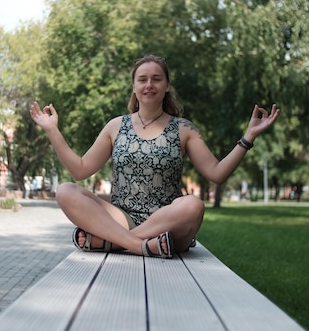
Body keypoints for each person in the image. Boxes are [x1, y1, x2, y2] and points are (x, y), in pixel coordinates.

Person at [30, 55, 279, 258]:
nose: (149, 85)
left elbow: (217, 173)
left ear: (166, 85)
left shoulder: (184, 129)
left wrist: (248, 137)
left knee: (194, 205)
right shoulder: (115, 126)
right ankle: (141, 246)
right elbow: (81, 170)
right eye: (143, 79)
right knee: (65, 190)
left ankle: (112, 242)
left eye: (156, 79)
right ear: (134, 86)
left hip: (168, 223)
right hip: (120, 217)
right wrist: (52, 130)